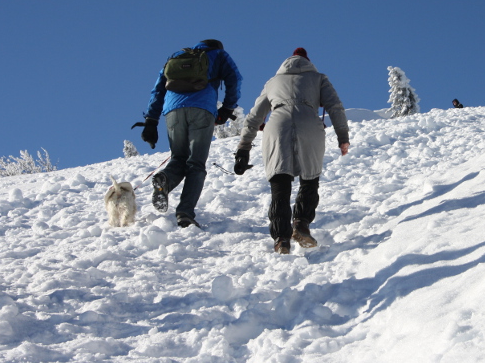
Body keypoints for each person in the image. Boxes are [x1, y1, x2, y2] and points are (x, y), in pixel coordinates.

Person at [234, 47, 349, 254]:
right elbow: (335, 107)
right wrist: (343, 138)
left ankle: (281, 239)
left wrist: (243, 148)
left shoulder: (273, 82)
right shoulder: (319, 78)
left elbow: (254, 117)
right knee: (310, 178)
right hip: (309, 124)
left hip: (277, 124)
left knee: (280, 182)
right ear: (308, 62)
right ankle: (301, 223)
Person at [133, 39, 242, 228]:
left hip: (173, 111)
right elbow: (235, 78)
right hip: (202, 109)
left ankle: (165, 180)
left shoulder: (176, 57)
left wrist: (151, 120)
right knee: (196, 164)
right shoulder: (219, 55)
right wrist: (228, 108)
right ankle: (185, 213)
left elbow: (158, 88)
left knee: (178, 157)